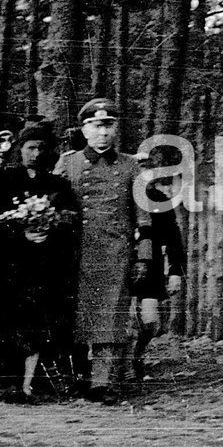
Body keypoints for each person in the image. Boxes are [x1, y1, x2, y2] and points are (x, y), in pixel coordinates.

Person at [0, 125, 79, 401]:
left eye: (41, 148)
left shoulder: (57, 183)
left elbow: (71, 218)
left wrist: (51, 227)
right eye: (30, 148)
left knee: (40, 322)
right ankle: (9, 382)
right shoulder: (4, 179)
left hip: (45, 264)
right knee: (10, 322)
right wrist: (19, 231)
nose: (36, 154)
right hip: (11, 263)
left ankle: (31, 383)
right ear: (20, 150)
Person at [56, 98, 142, 402]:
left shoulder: (131, 165)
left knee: (110, 317)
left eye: (108, 125)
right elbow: (55, 206)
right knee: (77, 315)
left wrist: (142, 257)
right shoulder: (69, 163)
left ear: (116, 128)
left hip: (115, 253)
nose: (102, 132)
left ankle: (103, 384)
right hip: (77, 252)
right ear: (84, 129)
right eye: (96, 126)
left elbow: (143, 218)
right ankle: (79, 378)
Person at [131, 145, 187, 382]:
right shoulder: (119, 197)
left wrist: (175, 271)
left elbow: (173, 238)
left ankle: (136, 356)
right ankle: (123, 365)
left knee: (151, 322)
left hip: (150, 268)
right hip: (121, 265)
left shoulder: (159, 201)